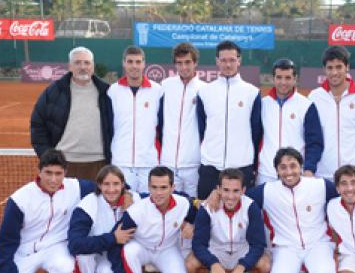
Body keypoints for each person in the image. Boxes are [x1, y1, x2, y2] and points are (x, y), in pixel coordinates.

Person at [208, 148, 355, 273]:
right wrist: (216, 193)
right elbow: (236, 195)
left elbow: (348, 192)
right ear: (277, 171)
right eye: (283, 167)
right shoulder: (267, 191)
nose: (288, 172)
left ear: (301, 167)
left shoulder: (319, 186)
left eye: (293, 166)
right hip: (285, 247)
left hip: (318, 243)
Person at [0, 149, 95, 273]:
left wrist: (127, 192)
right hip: (24, 251)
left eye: (58, 173)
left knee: (65, 268)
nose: (53, 179)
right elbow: (6, 242)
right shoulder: (19, 200)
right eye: (48, 173)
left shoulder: (75, 187)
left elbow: (106, 185)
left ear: (65, 173)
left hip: (56, 247)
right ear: (39, 171)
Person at [107, 166, 197, 273]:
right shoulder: (136, 211)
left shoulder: (184, 204)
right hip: (142, 247)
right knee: (129, 250)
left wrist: (191, 225)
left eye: (163, 187)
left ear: (173, 188)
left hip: (167, 249)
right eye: (154, 187)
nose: (158, 193)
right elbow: (115, 242)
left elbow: (198, 216)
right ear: (148, 187)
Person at [186, 168, 270, 273]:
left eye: (236, 191)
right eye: (226, 190)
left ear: (243, 190)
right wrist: (213, 264)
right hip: (216, 251)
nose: (230, 196)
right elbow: (198, 244)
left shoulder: (251, 206)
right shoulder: (206, 208)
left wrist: (242, 266)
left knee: (265, 265)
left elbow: (258, 245)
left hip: (242, 251)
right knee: (191, 265)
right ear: (218, 189)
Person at [68, 165, 140, 273]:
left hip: (117, 252)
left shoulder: (134, 199)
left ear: (123, 185)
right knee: (81, 256)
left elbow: (160, 195)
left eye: (116, 184)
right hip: (95, 251)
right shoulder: (87, 206)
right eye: (106, 184)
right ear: (99, 185)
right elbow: (74, 244)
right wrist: (112, 238)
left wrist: (195, 203)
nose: (112, 189)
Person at [30, 47, 113, 181]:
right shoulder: (53, 92)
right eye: (77, 63)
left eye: (87, 63)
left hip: (99, 163)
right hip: (65, 164)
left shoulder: (108, 92)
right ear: (70, 66)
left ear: (93, 66)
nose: (83, 67)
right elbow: (37, 125)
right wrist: (47, 157)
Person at [196, 40, 262, 199]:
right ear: (217, 61)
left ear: (239, 60)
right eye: (223, 60)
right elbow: (201, 127)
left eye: (232, 60)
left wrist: (250, 162)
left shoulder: (252, 92)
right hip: (210, 167)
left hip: (241, 167)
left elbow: (256, 130)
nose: (228, 64)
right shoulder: (204, 92)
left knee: (241, 217)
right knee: (206, 213)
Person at [308, 46, 355, 182]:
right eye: (330, 68)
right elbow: (311, 135)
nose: (334, 72)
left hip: (352, 174)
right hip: (323, 174)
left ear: (347, 67)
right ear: (324, 69)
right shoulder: (314, 97)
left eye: (339, 67)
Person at [257, 58, 323, 185]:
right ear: (273, 78)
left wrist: (309, 169)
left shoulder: (306, 105)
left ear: (295, 78)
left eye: (287, 78)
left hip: (294, 174)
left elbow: (315, 142)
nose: (283, 82)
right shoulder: (263, 104)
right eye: (279, 77)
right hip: (266, 173)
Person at [108, 45, 163, 193]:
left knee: (148, 206)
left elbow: (163, 126)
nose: (134, 66)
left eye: (138, 62)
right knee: (123, 205)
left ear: (144, 64)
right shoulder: (113, 91)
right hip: (121, 161)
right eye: (130, 61)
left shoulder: (157, 90)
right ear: (124, 63)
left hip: (148, 162)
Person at [159, 42, 205, 197]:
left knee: (193, 207)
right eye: (179, 63)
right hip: (168, 162)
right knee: (169, 206)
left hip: (193, 163)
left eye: (188, 62)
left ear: (195, 63)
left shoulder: (205, 89)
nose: (184, 67)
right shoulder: (165, 86)